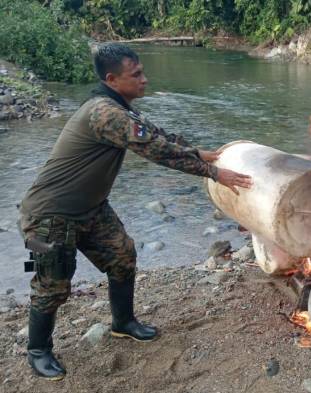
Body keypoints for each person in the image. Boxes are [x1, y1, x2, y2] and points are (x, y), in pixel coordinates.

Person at [17, 43, 252, 381]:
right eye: (136, 74)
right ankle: (38, 350)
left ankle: (123, 323)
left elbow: (157, 136)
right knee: (52, 285)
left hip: (91, 208)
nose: (145, 78)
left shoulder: (120, 108)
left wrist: (201, 153)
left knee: (123, 256)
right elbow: (156, 152)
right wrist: (215, 173)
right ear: (112, 79)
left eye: (142, 71)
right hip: (51, 215)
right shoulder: (105, 114)